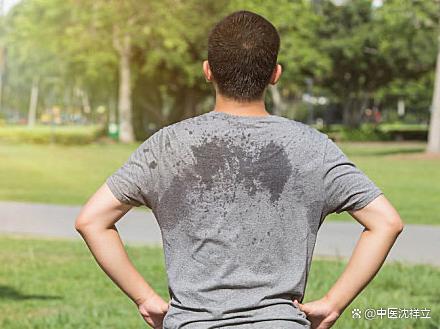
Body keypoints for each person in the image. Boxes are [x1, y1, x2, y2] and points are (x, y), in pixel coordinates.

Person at [74, 10, 404, 329]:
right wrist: (333, 303)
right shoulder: (313, 147)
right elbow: (386, 222)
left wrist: (145, 299)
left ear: (207, 71)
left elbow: (92, 221)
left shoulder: (167, 145)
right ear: (275, 74)